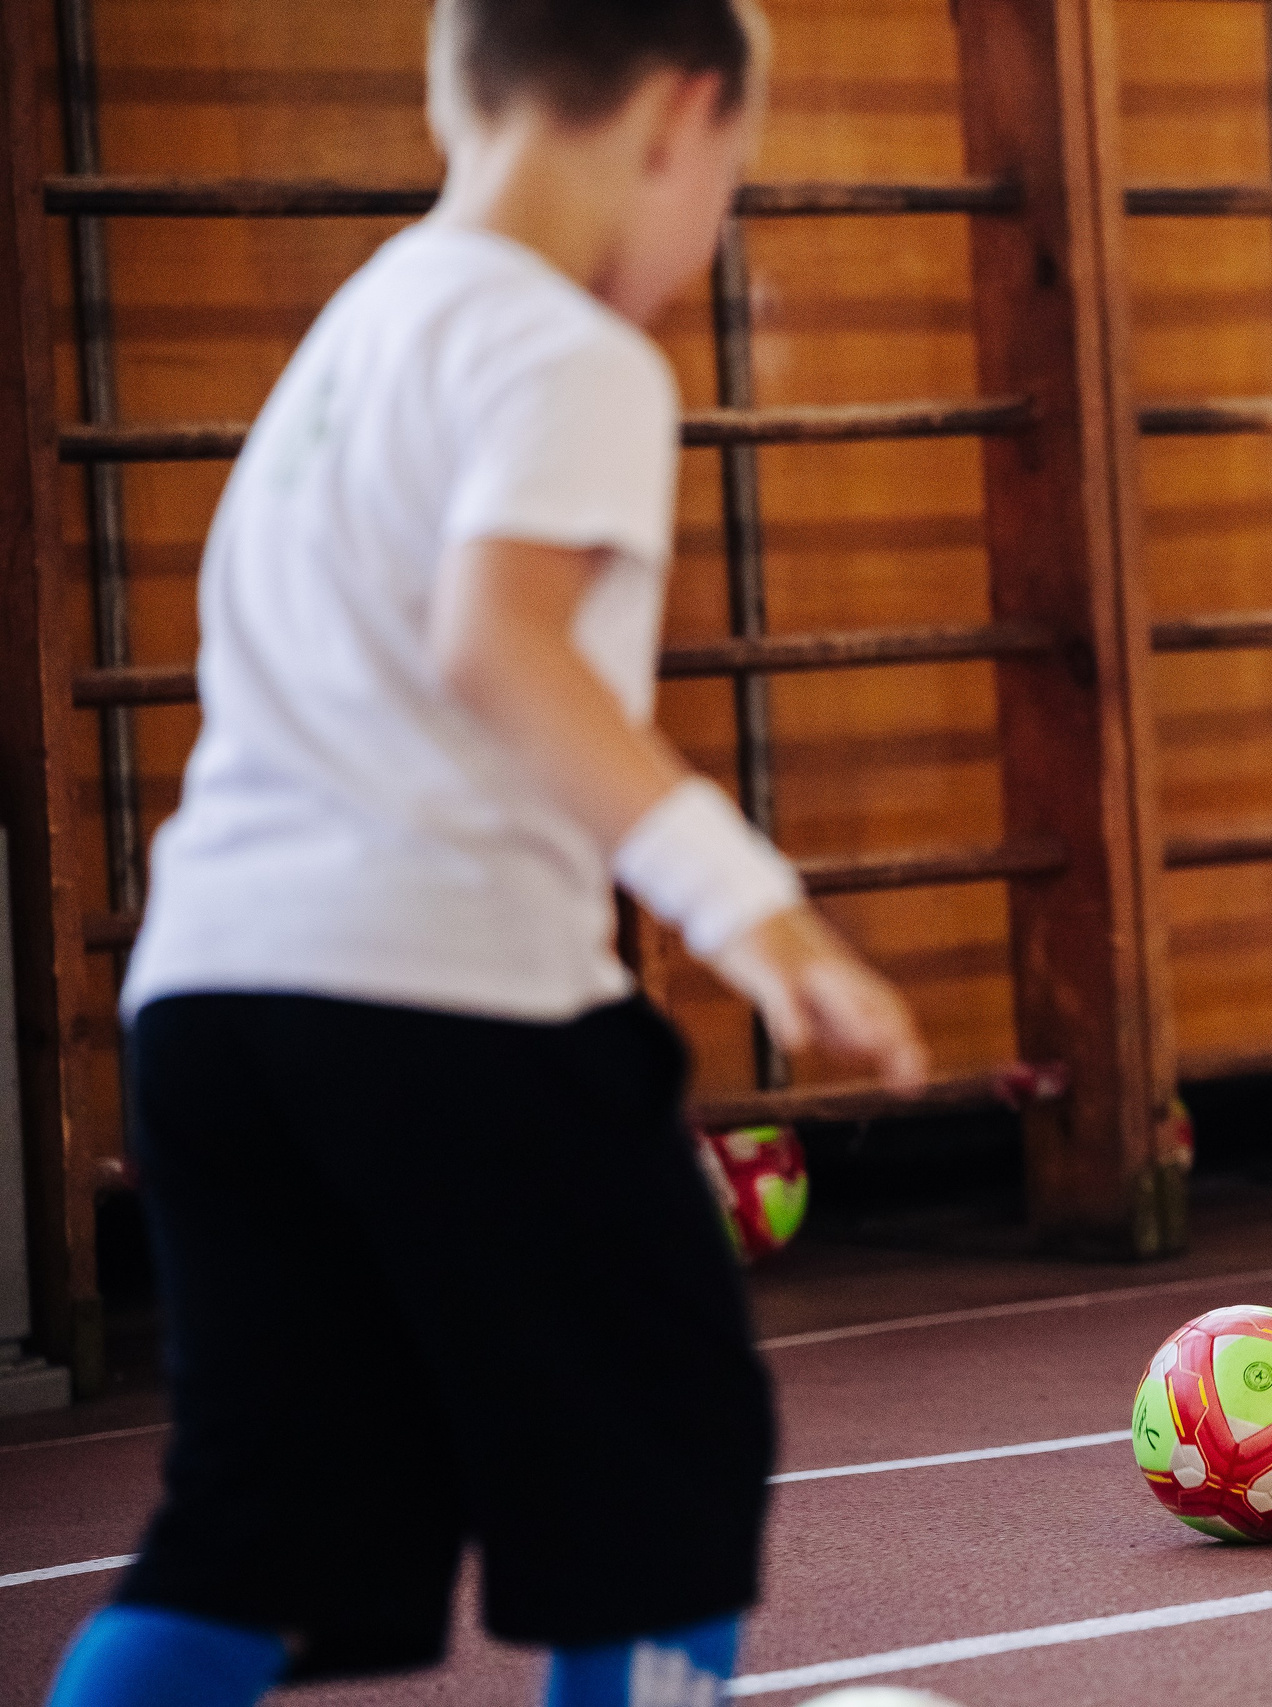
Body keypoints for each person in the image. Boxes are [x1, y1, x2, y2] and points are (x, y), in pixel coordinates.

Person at [44, 3, 927, 1703]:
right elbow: (495, 644)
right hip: (437, 991)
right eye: (731, 182)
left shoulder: (356, 330)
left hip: (209, 1004)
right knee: (667, 1450)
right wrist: (763, 921)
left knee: (254, 1518)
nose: (708, 232)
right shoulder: (569, 352)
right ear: (679, 117)